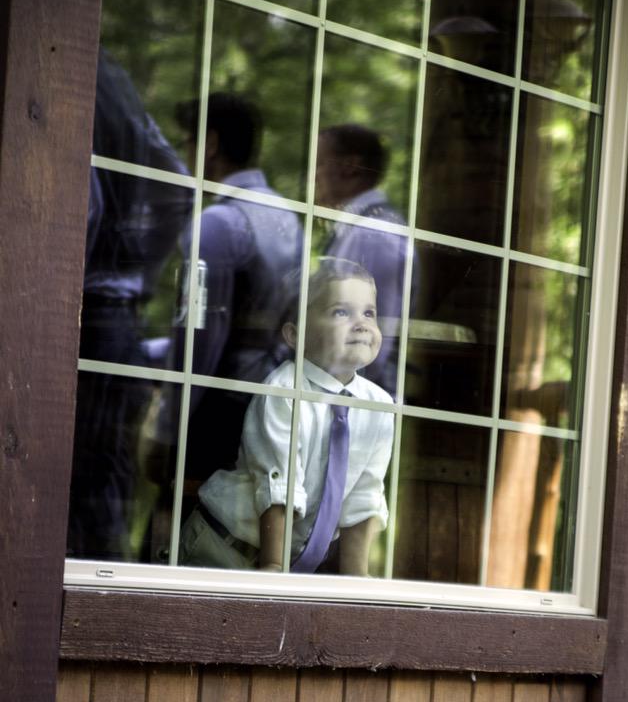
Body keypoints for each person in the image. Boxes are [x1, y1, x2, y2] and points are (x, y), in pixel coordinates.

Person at [179, 259, 394, 576]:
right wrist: (274, 568)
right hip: (223, 549)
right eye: (341, 312)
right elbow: (278, 486)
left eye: (368, 313)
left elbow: (365, 497)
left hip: (286, 564)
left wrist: (357, 581)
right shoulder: (284, 391)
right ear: (296, 335)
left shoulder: (378, 404)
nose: (361, 324)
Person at [67, 49, 191, 560]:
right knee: (101, 470)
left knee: (80, 470)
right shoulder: (116, 84)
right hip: (113, 311)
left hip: (89, 306)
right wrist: (135, 266)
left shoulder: (83, 72)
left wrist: (99, 264)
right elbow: (179, 186)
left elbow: (88, 199)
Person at [149, 92, 303, 483]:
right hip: (272, 405)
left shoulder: (219, 222)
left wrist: (168, 428)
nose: (187, 151)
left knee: (182, 534)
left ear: (211, 144)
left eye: (189, 140)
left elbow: (199, 335)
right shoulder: (289, 219)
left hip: (216, 413)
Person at [315, 123, 414, 397]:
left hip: (354, 410)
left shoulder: (375, 234)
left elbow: (367, 340)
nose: (313, 176)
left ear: (350, 166)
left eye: (319, 164)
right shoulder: (359, 228)